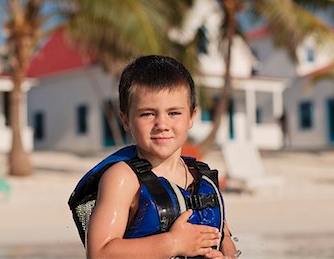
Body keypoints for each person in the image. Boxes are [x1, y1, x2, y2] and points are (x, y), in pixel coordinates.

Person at [69, 55, 238, 258]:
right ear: (125, 120)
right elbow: (99, 252)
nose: (162, 124)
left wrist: (227, 255)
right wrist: (172, 243)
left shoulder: (201, 175)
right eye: (147, 114)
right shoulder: (123, 178)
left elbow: (224, 237)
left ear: (192, 117)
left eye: (174, 113)